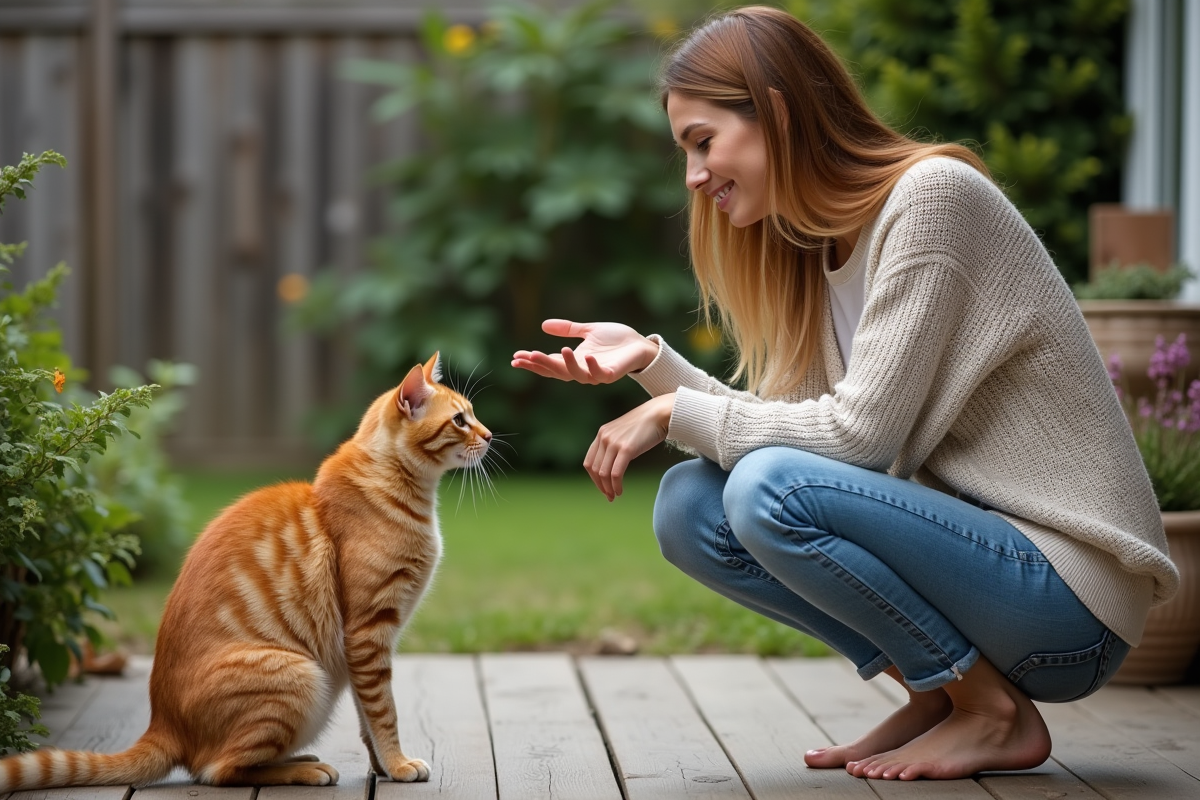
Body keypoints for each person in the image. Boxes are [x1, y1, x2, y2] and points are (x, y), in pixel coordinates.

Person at [511, 4, 1179, 782]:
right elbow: (794, 431)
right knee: (691, 505)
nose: (693, 177)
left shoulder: (932, 198)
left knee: (768, 488)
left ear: (778, 114)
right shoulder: (816, 251)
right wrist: (651, 363)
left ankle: (990, 714)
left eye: (703, 142)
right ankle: (948, 691)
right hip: (985, 573)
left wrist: (669, 411)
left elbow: (855, 441)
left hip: (1066, 597)